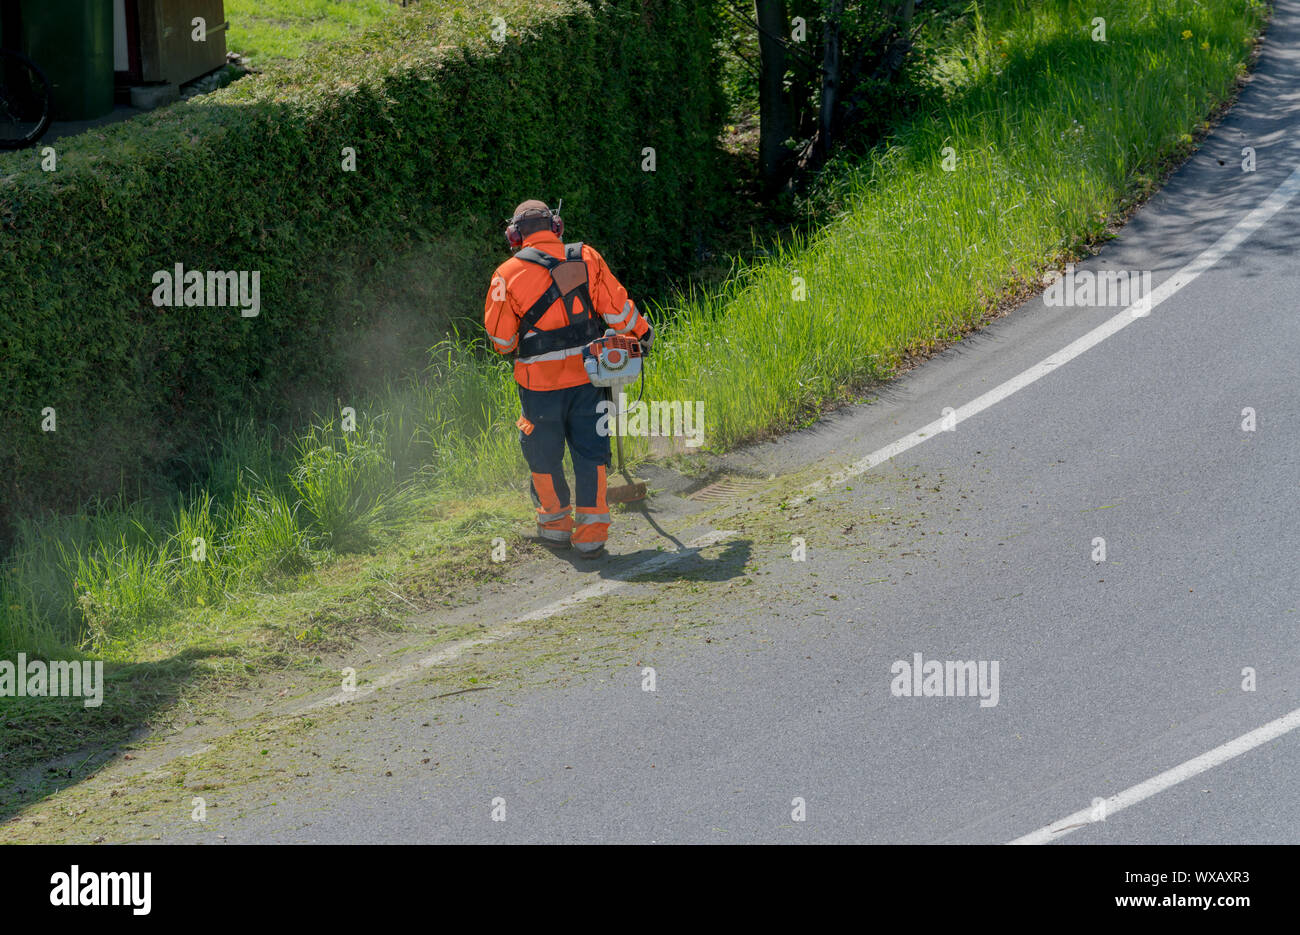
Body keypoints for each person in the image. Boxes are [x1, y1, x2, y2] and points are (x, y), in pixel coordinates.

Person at [484, 200, 653, 557]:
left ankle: (555, 526)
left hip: (538, 387)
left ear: (515, 235)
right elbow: (618, 309)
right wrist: (643, 333)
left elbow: (501, 343)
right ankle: (591, 534)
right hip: (589, 381)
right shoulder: (587, 257)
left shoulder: (504, 275)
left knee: (543, 453)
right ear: (555, 226)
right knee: (591, 450)